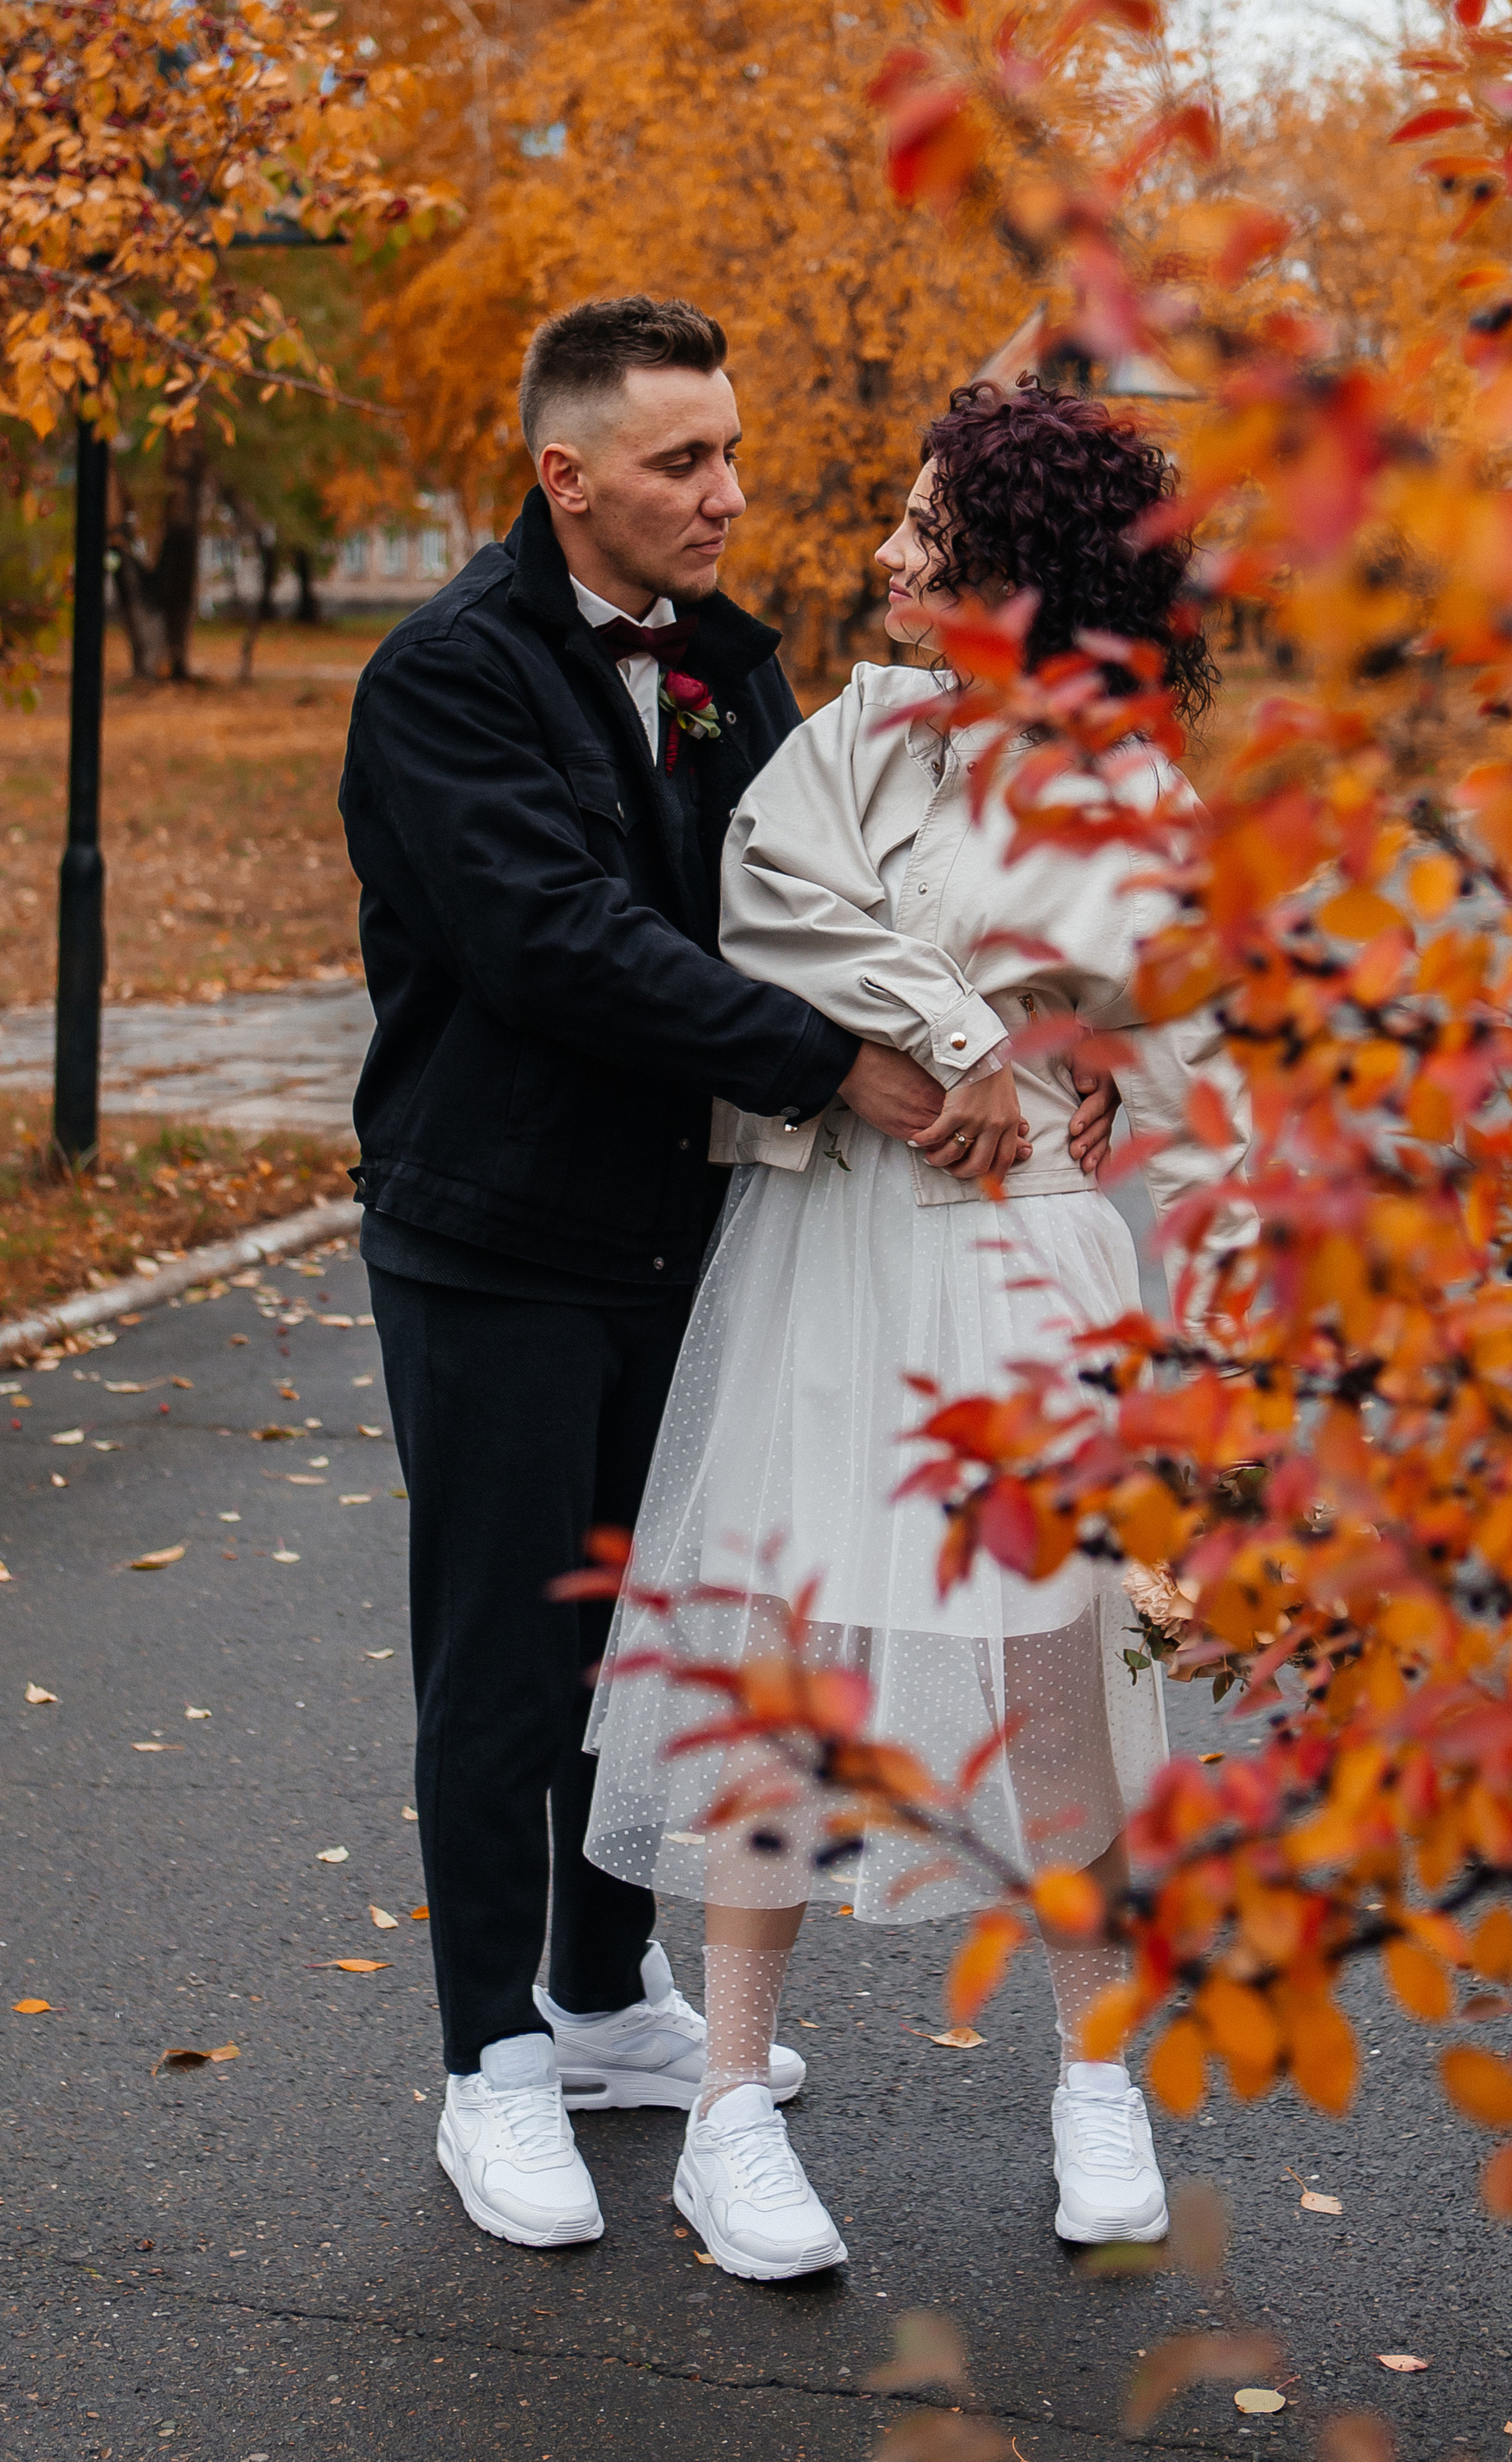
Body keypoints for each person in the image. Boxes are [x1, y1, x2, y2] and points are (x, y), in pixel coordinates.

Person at [338, 298, 1113, 2251]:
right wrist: (856, 1064)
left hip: (691, 1234)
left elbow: (824, 900)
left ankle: (602, 2005)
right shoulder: (447, 677)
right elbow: (561, 945)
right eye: (683, 462)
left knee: (650, 1638)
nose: (728, 494)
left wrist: (1050, 1039)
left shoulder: (726, 669)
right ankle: (487, 2073)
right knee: (504, 1658)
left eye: (731, 452)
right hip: (498, 1237)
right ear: (564, 472)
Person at [585, 381, 1249, 2283]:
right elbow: (763, 909)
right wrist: (963, 1034)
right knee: (777, 1653)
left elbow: (1196, 1061)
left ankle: (1096, 2073)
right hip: (832, 1240)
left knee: (1053, 1678)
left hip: (1027, 1258)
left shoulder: (1128, 786)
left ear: (1014, 577)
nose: (883, 553)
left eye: (924, 530)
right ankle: (725, 2105)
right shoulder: (856, 733)